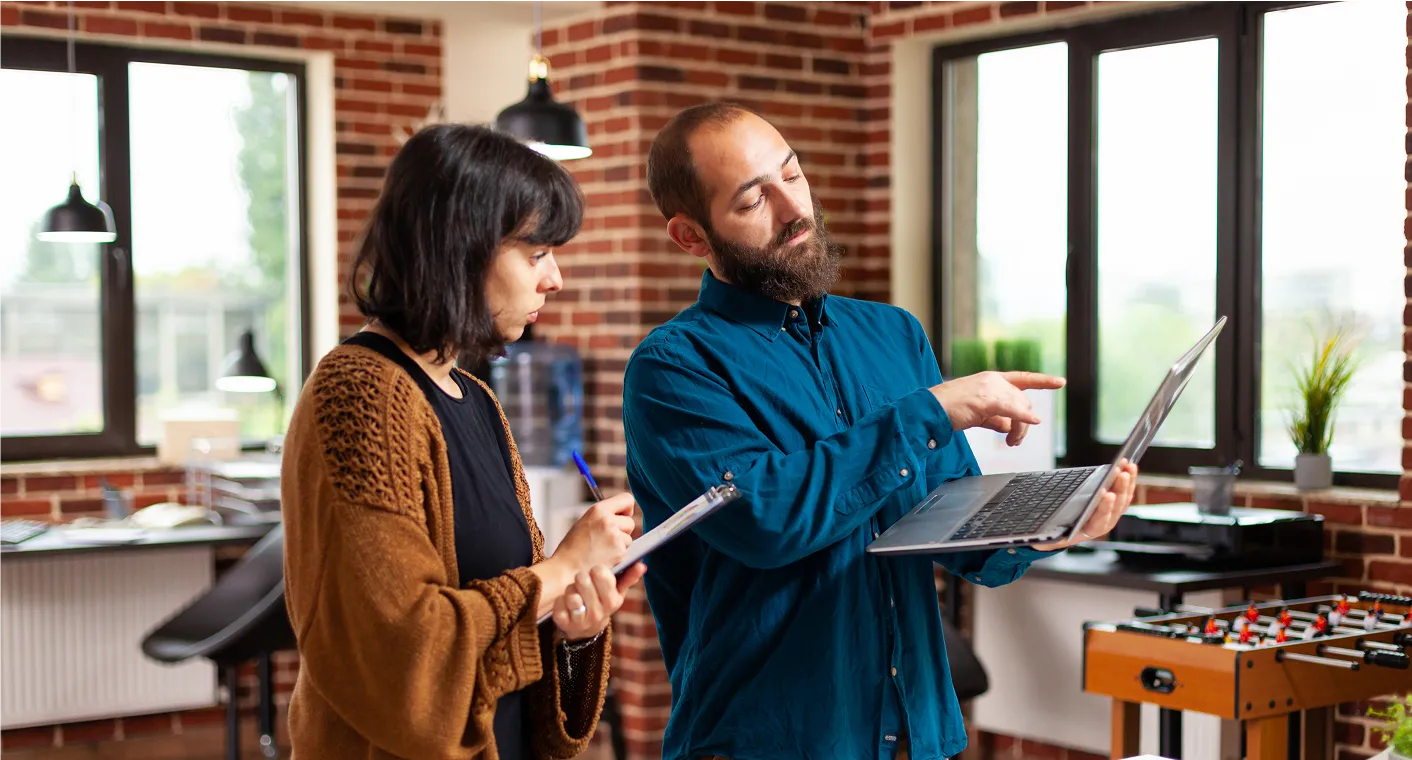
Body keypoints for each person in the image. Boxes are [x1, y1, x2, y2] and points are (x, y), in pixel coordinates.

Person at [621, 103, 1139, 760]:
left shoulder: (892, 334)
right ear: (692, 236)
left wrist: (1055, 527)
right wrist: (930, 412)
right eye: (755, 200)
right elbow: (765, 519)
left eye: (794, 175)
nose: (793, 209)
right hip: (770, 742)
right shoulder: (673, 367)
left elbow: (951, 527)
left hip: (920, 735)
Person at [280, 123, 646, 760]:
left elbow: (500, 619)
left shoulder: (476, 400)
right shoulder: (360, 392)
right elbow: (402, 649)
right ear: (460, 249)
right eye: (535, 255)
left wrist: (572, 623)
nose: (554, 279)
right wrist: (556, 571)